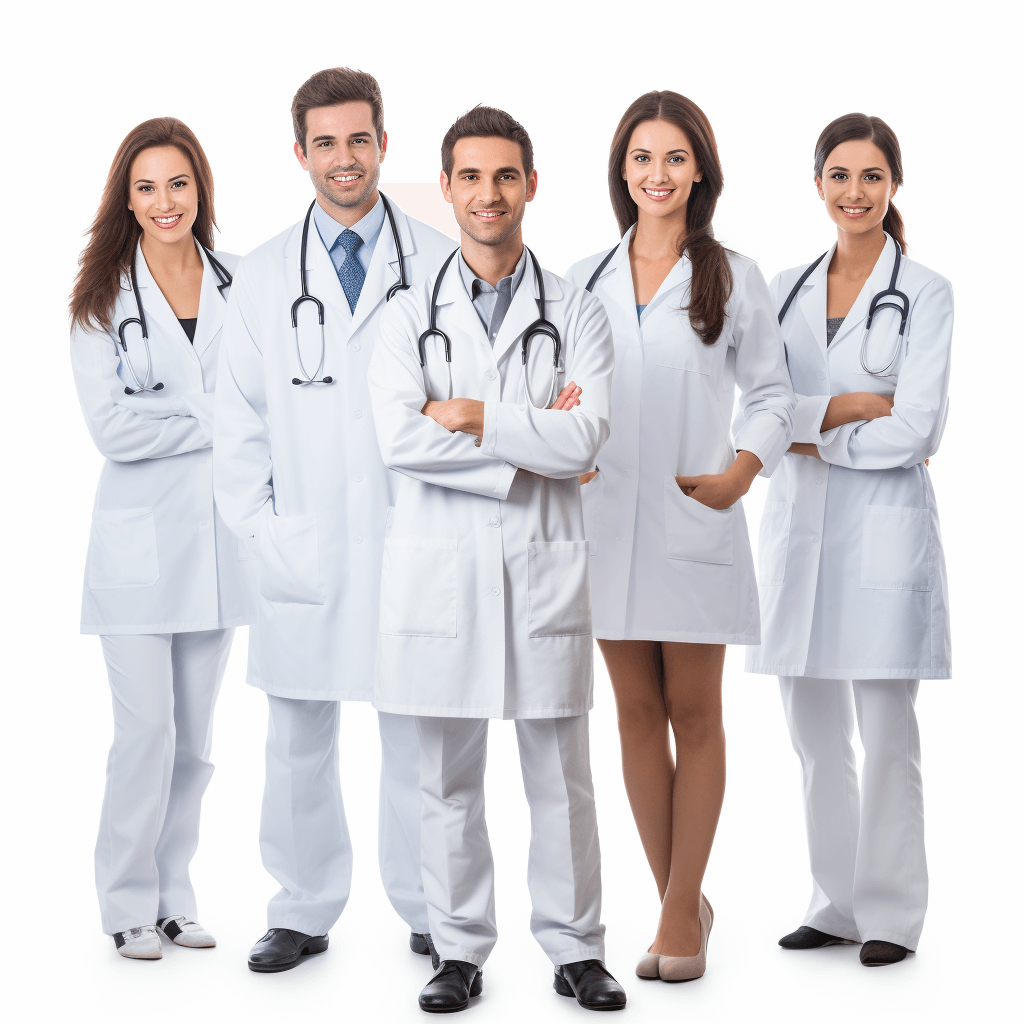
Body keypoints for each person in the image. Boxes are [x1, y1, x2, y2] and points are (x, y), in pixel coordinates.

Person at [367, 105, 626, 1014]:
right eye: (470, 177)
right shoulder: (405, 316)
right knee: (444, 778)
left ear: (530, 185)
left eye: (504, 176)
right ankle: (458, 950)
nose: (488, 194)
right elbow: (399, 441)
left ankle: (576, 948)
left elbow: (589, 431)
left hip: (542, 573)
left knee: (562, 775)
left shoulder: (579, 309)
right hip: (441, 578)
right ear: (445, 186)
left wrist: (473, 415)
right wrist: (534, 447)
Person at [213, 68, 456, 974]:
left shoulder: (440, 260)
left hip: (412, 542)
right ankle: (302, 907)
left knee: (417, 738)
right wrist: (264, 530)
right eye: (326, 143)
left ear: (384, 143)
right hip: (302, 545)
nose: (344, 158)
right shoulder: (264, 274)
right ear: (300, 153)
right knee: (297, 740)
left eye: (359, 140)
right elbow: (236, 425)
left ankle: (433, 908)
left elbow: (465, 401)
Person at [566, 91, 794, 983]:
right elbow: (562, 391)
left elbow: (771, 396)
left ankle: (677, 912)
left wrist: (744, 470)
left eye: (672, 158)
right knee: (632, 714)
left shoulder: (732, 274)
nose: (655, 175)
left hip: (695, 513)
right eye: (639, 159)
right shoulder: (583, 276)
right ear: (621, 172)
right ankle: (680, 902)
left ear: (699, 167)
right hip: (604, 521)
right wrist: (559, 443)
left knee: (695, 714)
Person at [747, 113, 952, 967]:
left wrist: (806, 430)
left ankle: (892, 915)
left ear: (893, 185)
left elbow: (916, 429)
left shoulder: (928, 292)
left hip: (880, 539)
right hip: (800, 535)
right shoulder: (783, 289)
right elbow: (753, 416)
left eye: (871, 177)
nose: (854, 192)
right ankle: (833, 902)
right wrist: (834, 412)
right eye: (839, 175)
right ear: (818, 184)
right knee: (814, 735)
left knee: (886, 729)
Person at [70, 118, 250, 959]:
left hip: (216, 548)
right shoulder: (101, 300)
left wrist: (184, 416)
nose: (165, 201)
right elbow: (111, 432)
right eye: (147, 187)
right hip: (138, 557)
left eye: (178, 184)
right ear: (126, 199)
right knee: (144, 733)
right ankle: (124, 901)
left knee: (196, 738)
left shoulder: (241, 285)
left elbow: (262, 413)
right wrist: (210, 418)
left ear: (200, 191)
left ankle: (175, 893)